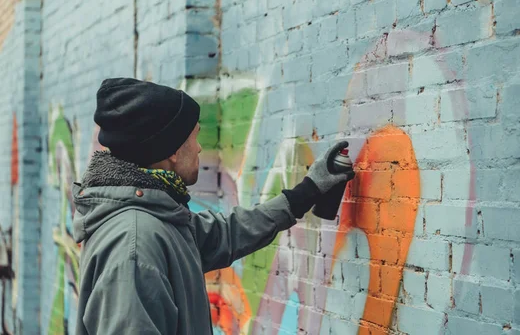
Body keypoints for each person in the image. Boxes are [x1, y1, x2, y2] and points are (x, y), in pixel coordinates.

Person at [73, 77, 355, 335]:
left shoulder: (153, 218)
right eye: (194, 136)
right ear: (171, 149)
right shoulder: (135, 244)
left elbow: (225, 234)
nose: (198, 148)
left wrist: (306, 193)